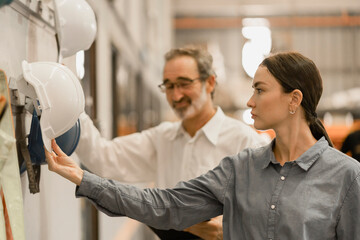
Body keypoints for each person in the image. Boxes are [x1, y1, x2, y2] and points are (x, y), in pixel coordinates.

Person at [46, 51, 360, 239]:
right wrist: (84, 178)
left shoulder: (346, 177)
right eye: (168, 85)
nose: (250, 101)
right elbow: (164, 205)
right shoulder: (241, 168)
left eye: (260, 90)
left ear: (294, 99)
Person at [74, 46, 267, 239]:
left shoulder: (245, 142)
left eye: (184, 84)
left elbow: (269, 215)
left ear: (209, 82)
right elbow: (104, 158)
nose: (176, 96)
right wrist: (72, 105)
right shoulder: (162, 139)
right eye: (169, 86)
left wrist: (227, 231)